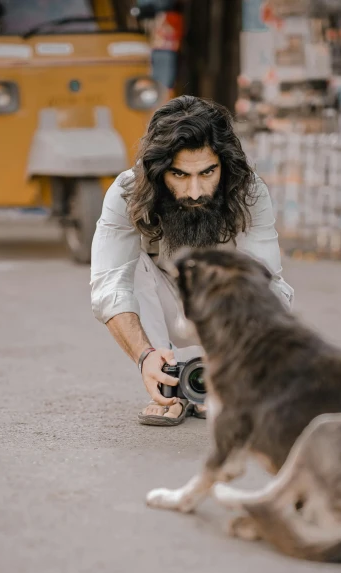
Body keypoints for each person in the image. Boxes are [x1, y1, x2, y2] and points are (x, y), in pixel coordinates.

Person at [90, 95, 293, 426]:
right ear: (158, 171)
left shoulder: (249, 190)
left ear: (224, 165)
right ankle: (169, 384)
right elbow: (108, 283)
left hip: (227, 312)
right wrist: (145, 357)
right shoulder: (127, 192)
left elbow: (265, 283)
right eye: (179, 175)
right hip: (160, 305)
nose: (195, 191)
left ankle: (216, 382)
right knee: (130, 268)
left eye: (208, 172)